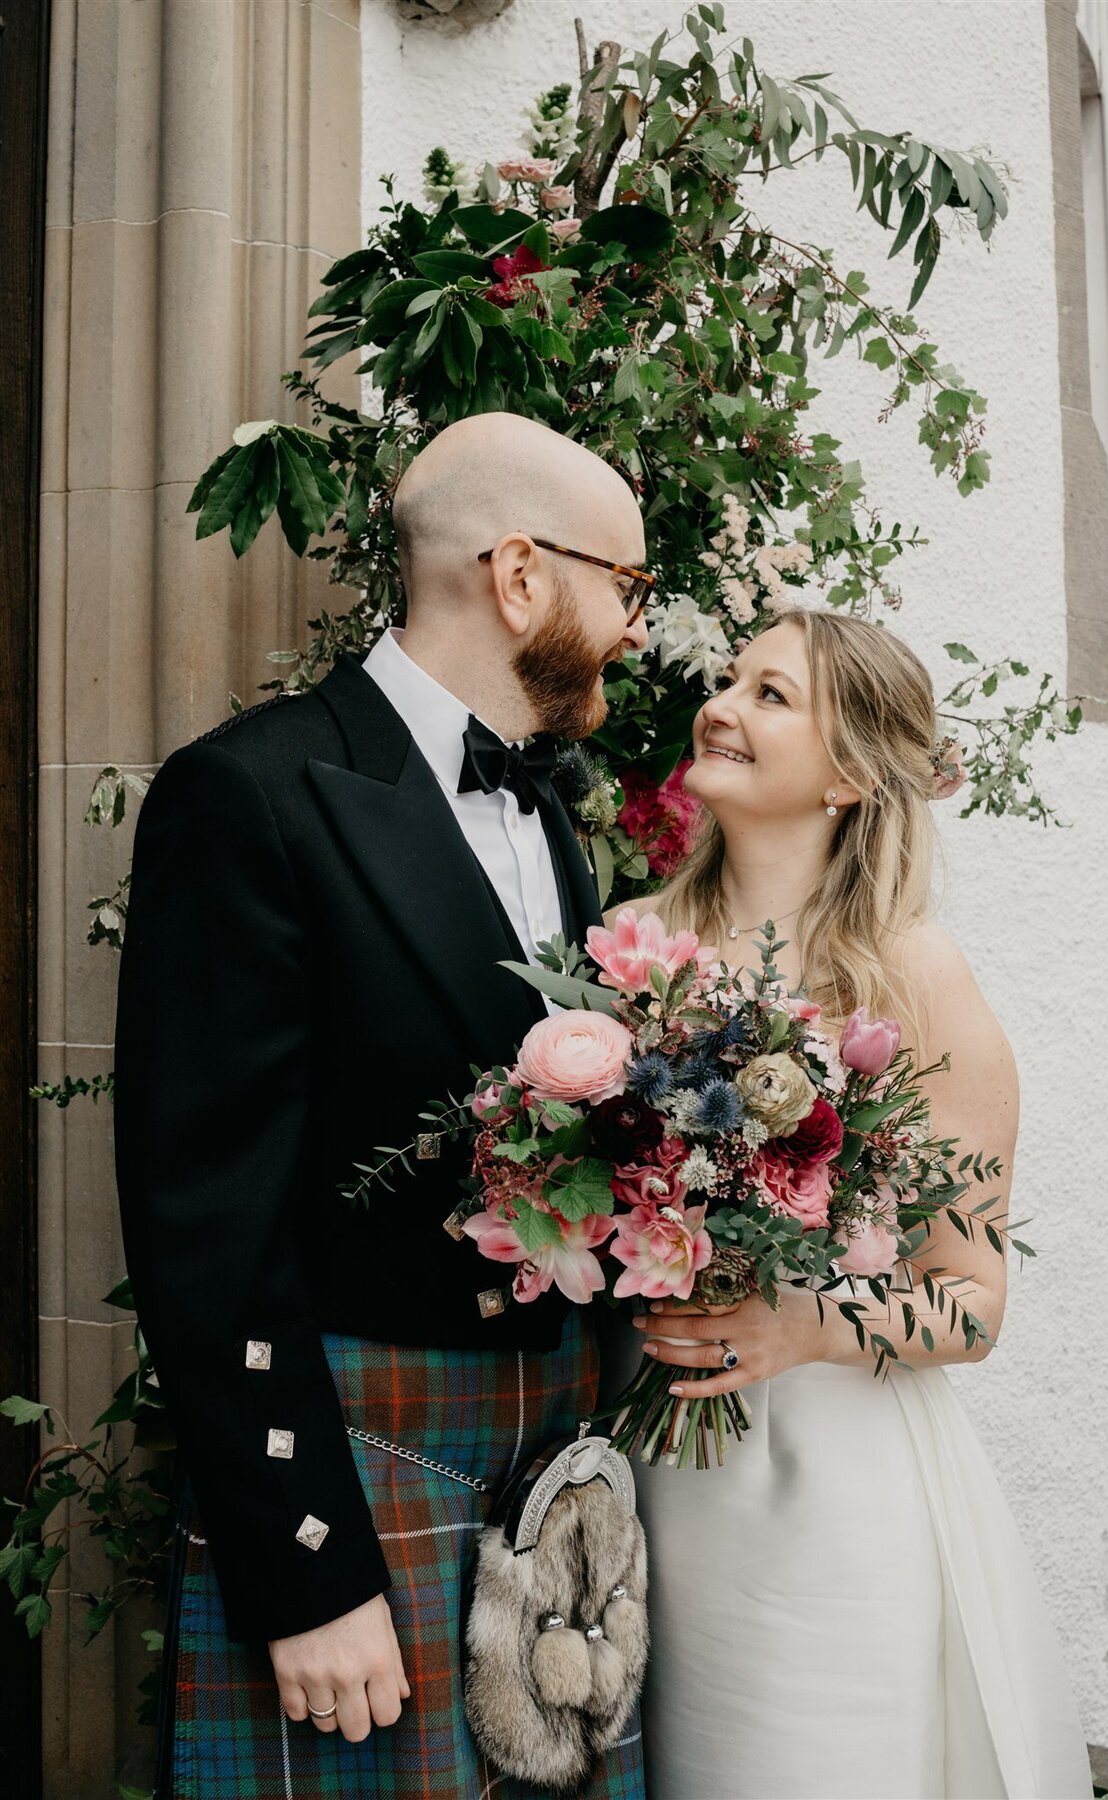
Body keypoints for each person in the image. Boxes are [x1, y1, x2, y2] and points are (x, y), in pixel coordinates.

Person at [114, 411, 651, 1799]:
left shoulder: (552, 812)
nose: (637, 630)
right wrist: (306, 1569)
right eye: (628, 589)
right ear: (521, 575)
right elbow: (204, 1221)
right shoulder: (251, 796)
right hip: (364, 1452)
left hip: (558, 1477)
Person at [609, 609, 1094, 1800]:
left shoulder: (915, 979)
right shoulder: (633, 950)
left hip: (829, 1509)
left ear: (847, 775)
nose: (721, 704)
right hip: (646, 1487)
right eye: (729, 680)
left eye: (770, 694)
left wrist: (810, 1326)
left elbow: (972, 1307)